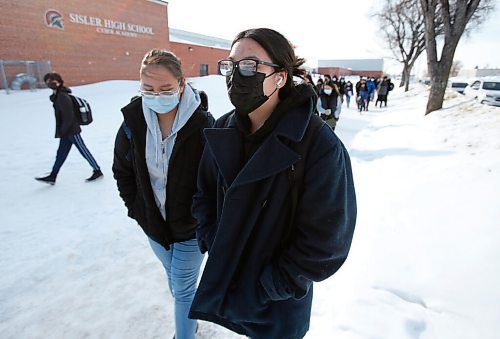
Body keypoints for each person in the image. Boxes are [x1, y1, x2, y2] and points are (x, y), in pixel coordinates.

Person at [188, 28, 357, 339]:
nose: (237, 75)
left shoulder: (318, 144)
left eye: (251, 66)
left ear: (281, 76)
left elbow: (327, 241)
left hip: (277, 303)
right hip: (231, 282)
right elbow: (203, 196)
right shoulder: (223, 128)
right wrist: (213, 241)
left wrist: (272, 285)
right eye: (231, 65)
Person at [112, 49, 214, 339]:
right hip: (154, 226)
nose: (157, 95)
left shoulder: (205, 125)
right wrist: (137, 210)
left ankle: (185, 334)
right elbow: (123, 172)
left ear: (182, 84)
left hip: (191, 229)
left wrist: (203, 219)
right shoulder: (132, 125)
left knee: (181, 288)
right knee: (177, 283)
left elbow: (216, 179)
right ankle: (190, 320)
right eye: (149, 89)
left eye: (166, 88)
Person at [35, 72, 102, 185]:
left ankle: (97, 170)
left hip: (72, 130)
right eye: (47, 81)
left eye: (52, 81)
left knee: (83, 150)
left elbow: (69, 115)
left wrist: (64, 130)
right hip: (66, 131)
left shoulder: (62, 96)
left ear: (59, 82)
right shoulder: (57, 96)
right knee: (61, 154)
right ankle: (53, 175)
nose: (49, 83)